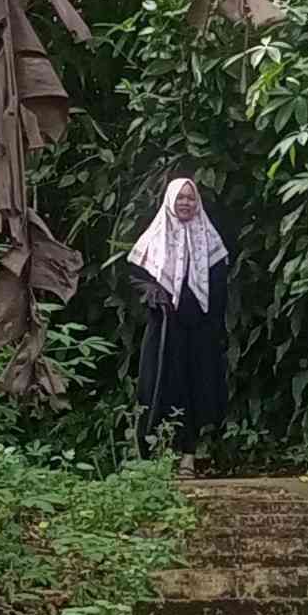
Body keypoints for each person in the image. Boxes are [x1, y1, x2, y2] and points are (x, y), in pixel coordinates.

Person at [129, 174, 230, 454]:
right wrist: (156, 296)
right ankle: (152, 454)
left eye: (190, 198)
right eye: (181, 198)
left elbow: (219, 278)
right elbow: (137, 277)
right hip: (164, 326)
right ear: (170, 201)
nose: (185, 203)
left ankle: (189, 454)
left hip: (197, 328)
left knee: (195, 386)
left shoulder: (209, 238)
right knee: (159, 384)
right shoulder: (155, 236)